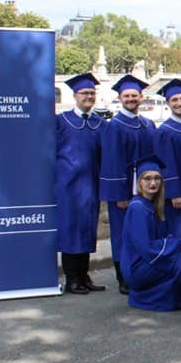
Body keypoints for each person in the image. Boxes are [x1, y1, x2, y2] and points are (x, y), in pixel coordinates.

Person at [100, 74, 155, 294]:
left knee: (144, 231)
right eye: (127, 96)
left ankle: (142, 273)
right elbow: (111, 162)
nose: (131, 99)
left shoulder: (148, 124)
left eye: (134, 95)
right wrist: (119, 194)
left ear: (141, 97)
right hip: (124, 191)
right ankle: (123, 276)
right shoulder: (114, 126)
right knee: (122, 233)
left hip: (148, 190)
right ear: (120, 98)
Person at [56, 73, 106, 294]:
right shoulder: (62, 121)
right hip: (67, 186)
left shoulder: (100, 123)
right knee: (70, 230)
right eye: (84, 93)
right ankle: (72, 278)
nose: (88, 97)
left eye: (92, 93)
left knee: (87, 229)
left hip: (91, 185)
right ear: (75, 95)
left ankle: (84, 276)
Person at [120, 155, 181, 311]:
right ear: (139, 182)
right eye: (147, 178)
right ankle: (153, 298)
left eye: (157, 178)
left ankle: (160, 296)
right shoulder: (138, 208)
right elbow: (146, 247)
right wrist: (178, 243)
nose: (153, 183)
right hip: (136, 267)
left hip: (145, 262)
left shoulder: (151, 205)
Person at [153, 79, 181, 238]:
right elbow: (165, 164)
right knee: (179, 230)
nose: (179, 103)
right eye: (174, 100)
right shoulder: (164, 131)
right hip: (178, 191)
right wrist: (173, 193)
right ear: (168, 103)